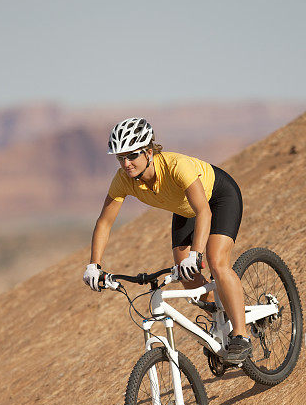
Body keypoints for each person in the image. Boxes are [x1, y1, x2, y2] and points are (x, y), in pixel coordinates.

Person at [83, 117, 252, 362]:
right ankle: (222, 315)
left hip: (218, 197)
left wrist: (196, 254)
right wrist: (94, 264)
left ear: (149, 152)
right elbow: (104, 222)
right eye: (121, 158)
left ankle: (241, 335)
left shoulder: (176, 166)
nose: (126, 163)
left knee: (216, 261)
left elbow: (204, 211)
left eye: (132, 156)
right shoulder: (123, 180)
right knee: (188, 280)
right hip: (185, 209)